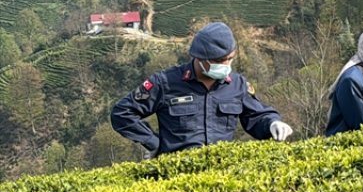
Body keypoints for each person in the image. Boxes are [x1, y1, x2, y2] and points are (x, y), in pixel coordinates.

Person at [111, 21, 293, 157]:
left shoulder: (237, 85)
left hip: (222, 172)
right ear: (200, 58)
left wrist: (272, 123)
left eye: (230, 58)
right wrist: (154, 143)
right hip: (175, 175)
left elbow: (256, 116)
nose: (226, 65)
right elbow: (122, 113)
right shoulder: (165, 82)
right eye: (219, 61)